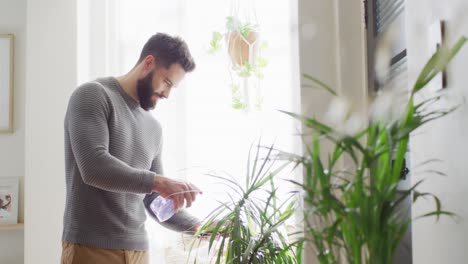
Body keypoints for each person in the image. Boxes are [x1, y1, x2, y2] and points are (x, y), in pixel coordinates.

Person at [61, 33, 202, 264]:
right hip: (91, 247)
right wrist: (159, 181)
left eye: (173, 87)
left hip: (138, 251)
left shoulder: (154, 128)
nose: (168, 94)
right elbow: (94, 166)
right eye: (167, 82)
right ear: (149, 63)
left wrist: (201, 227)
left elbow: (154, 200)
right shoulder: (92, 95)